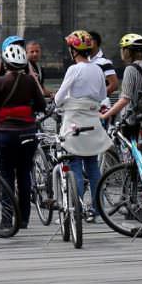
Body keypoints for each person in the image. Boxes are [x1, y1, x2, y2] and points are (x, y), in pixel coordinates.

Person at [0, 43, 46, 229]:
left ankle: (6, 219)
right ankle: (24, 219)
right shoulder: (29, 81)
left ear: (6, 64)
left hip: (6, 134)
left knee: (6, 176)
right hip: (28, 132)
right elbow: (42, 105)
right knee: (24, 175)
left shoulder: (0, 82)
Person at [54, 30, 111, 216]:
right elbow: (103, 95)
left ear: (73, 50)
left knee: (75, 165)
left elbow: (58, 98)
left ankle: (75, 209)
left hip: (74, 122)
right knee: (93, 166)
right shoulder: (97, 68)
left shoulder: (74, 69)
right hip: (93, 121)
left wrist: (65, 102)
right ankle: (97, 208)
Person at [100, 34, 142, 137]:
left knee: (132, 150)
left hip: (133, 119)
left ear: (127, 51)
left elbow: (126, 99)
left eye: (122, 48)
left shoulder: (130, 69)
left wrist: (106, 115)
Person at [89, 31, 119, 95]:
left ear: (95, 42)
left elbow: (114, 85)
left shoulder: (104, 62)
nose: (84, 43)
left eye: (88, 40)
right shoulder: (84, 60)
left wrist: (98, 97)